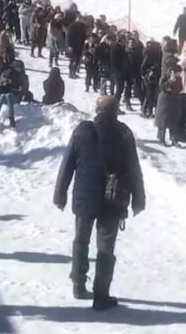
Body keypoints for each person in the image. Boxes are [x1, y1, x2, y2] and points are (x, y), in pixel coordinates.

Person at [54, 96, 145, 309]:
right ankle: (101, 295)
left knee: (81, 239)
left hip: (85, 197)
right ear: (116, 111)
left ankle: (78, 283)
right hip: (113, 198)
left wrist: (60, 194)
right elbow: (133, 168)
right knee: (105, 246)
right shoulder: (124, 133)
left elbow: (67, 163)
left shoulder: (82, 131)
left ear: (96, 110)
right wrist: (138, 200)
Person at [0, 60, 28, 129]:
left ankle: (11, 118)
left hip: (16, 97)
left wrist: (17, 89)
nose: (19, 69)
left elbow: (24, 89)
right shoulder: (6, 75)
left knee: (9, 96)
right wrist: (3, 86)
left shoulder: (23, 77)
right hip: (5, 96)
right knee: (3, 96)